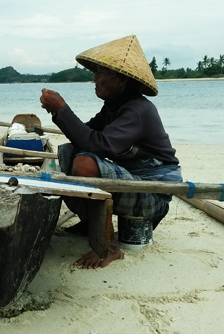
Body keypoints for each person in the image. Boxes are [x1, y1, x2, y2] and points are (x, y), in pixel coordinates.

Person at [39, 35, 182, 268]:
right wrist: (58, 113)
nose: (94, 78)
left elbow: (98, 145)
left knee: (84, 164)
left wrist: (63, 109)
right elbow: (84, 135)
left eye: (101, 73)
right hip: (134, 184)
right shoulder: (114, 107)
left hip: (153, 193)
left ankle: (111, 246)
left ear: (123, 80)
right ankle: (90, 223)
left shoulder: (137, 110)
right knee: (68, 153)